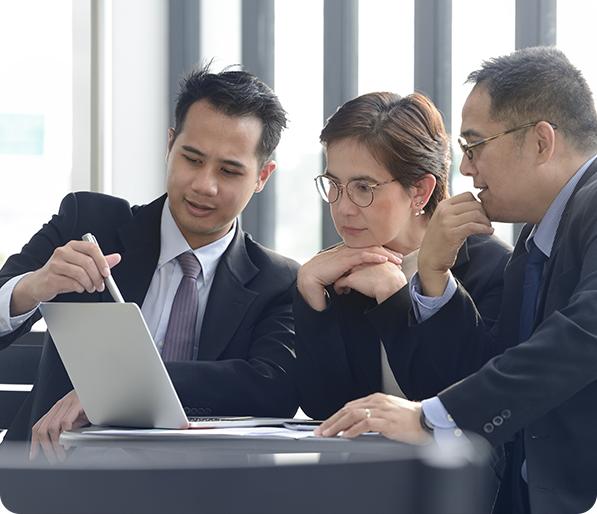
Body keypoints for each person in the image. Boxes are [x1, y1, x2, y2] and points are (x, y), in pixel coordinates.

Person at [315, 46, 597, 514]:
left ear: (541, 142)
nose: (465, 169)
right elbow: (492, 364)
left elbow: (584, 335)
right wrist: (433, 273)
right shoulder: (532, 243)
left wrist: (433, 417)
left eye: (475, 146)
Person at [0, 65, 300, 463]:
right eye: (192, 159)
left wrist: (117, 388)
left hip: (192, 492)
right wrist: (32, 288)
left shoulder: (278, 281)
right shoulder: (88, 222)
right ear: (171, 145)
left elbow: (273, 388)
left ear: (262, 176)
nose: (204, 185)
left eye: (229, 171)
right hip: (54, 476)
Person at [294, 92, 511, 420]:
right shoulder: (336, 268)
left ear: (420, 191)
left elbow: (453, 408)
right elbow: (324, 408)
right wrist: (310, 292)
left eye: (363, 188)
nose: (342, 208)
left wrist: (394, 297)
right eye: (334, 184)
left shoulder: (495, 269)